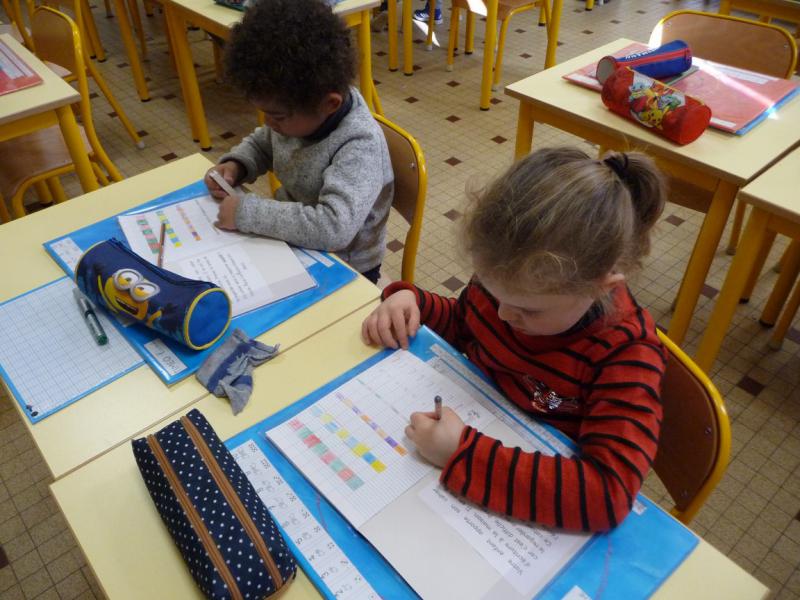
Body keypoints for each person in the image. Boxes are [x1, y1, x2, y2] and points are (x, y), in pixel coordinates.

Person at [361, 147, 668, 532]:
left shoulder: (627, 355)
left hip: (528, 505)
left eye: (528, 310)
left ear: (599, 287)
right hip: (478, 434)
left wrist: (462, 453)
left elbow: (607, 494)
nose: (504, 315)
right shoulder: (511, 279)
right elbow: (465, 325)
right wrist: (415, 303)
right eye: (494, 295)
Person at [205, 0, 394, 284]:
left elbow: (333, 228)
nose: (269, 123)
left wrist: (247, 213)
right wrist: (236, 165)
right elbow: (264, 143)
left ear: (330, 104)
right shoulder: (301, 112)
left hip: (345, 265)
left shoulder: (359, 144)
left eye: (277, 116)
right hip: (295, 241)